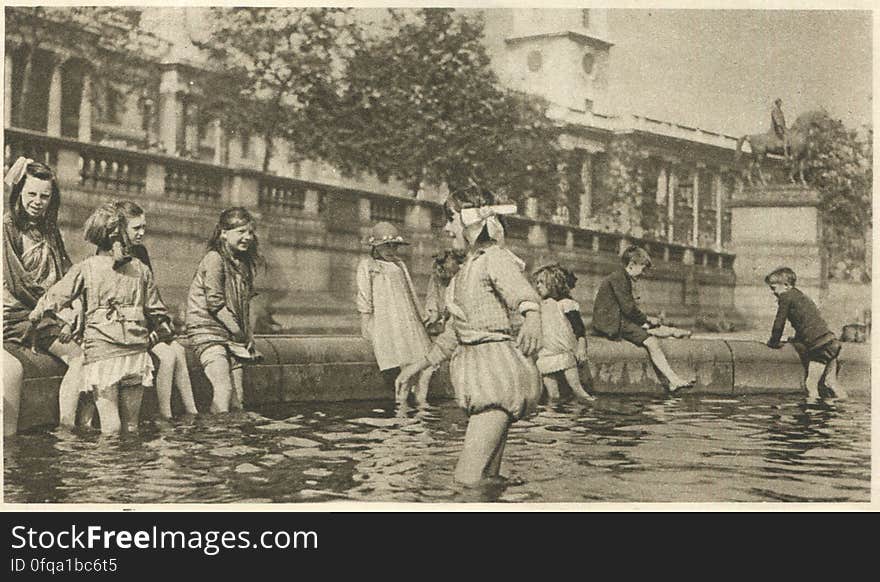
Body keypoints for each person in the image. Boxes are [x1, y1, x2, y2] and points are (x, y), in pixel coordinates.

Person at [395, 188, 543, 486]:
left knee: (465, 479)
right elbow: (454, 333)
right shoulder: (466, 270)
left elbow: (521, 293)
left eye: (451, 220)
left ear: (470, 221)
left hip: (494, 377)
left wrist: (533, 316)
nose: (447, 229)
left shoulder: (494, 259)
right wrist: (419, 365)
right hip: (487, 377)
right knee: (487, 479)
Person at [27, 202, 171, 434]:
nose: (142, 232)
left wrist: (37, 313)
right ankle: (131, 469)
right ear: (118, 232)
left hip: (103, 355)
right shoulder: (141, 269)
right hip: (135, 354)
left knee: (110, 426)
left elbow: (58, 295)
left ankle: (105, 471)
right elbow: (157, 311)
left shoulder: (88, 268)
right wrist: (158, 331)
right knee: (132, 426)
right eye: (137, 228)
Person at [2, 158, 84, 434]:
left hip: (50, 310)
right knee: (79, 357)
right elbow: (20, 284)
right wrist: (58, 311)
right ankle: (67, 427)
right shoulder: (8, 227)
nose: (37, 201)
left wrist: (77, 304)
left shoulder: (49, 230)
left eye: (44, 196)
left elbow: (67, 273)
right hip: (20, 314)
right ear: (20, 194)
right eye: (31, 194)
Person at [120, 201, 198, 420]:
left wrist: (161, 323)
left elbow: (150, 295)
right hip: (126, 327)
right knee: (166, 355)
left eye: (143, 227)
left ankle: (192, 411)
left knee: (180, 351)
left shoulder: (139, 252)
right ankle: (165, 414)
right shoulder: (110, 255)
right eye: (136, 228)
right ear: (120, 228)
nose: (142, 232)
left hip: (144, 321)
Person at [185, 207, 262, 414]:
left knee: (238, 402)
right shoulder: (214, 259)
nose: (247, 237)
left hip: (232, 335)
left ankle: (231, 442)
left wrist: (249, 336)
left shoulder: (242, 263)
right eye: (241, 232)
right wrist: (240, 333)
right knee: (224, 388)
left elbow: (246, 304)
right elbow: (215, 304)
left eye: (250, 232)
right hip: (207, 332)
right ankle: (216, 440)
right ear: (223, 233)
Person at [592, 245, 694, 393]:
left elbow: (628, 309)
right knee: (651, 342)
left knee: (647, 329)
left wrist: (646, 320)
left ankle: (674, 332)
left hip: (614, 319)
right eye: (643, 268)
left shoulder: (620, 277)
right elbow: (629, 309)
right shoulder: (620, 278)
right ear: (632, 265)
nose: (644, 273)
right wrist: (647, 319)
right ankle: (673, 380)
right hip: (611, 322)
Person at [357, 221, 434, 404]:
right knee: (403, 361)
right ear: (376, 247)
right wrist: (365, 319)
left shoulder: (400, 265)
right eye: (386, 246)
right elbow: (364, 294)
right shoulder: (368, 265)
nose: (391, 250)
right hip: (386, 318)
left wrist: (421, 315)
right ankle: (402, 404)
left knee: (422, 363)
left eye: (394, 246)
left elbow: (410, 291)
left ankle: (421, 404)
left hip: (406, 316)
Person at [765, 267, 846, 401]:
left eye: (773, 288)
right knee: (831, 382)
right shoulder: (800, 295)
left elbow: (779, 322)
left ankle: (813, 416)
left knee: (811, 384)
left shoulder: (785, 297)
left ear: (786, 286)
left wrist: (773, 342)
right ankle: (843, 410)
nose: (773, 292)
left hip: (820, 347)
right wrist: (797, 339)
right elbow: (806, 322)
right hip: (831, 341)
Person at [532, 263, 595, 403]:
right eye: (536, 283)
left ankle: (590, 408)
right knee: (552, 395)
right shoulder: (541, 305)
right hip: (546, 355)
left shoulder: (566, 303)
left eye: (542, 282)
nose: (538, 286)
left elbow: (579, 328)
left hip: (563, 353)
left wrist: (581, 347)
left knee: (577, 389)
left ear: (554, 283)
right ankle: (551, 419)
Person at [423, 249, 466, 337]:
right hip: (441, 298)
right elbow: (432, 295)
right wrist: (433, 313)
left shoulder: (460, 272)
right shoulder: (436, 274)